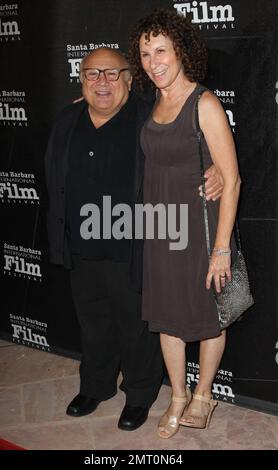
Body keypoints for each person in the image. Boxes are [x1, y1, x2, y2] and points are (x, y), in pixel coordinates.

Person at [44, 46, 223, 431]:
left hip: (134, 241)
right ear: (81, 80)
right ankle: (95, 385)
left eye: (112, 73)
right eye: (93, 74)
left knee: (135, 325)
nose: (102, 82)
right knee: (92, 322)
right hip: (80, 240)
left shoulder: (147, 116)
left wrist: (214, 168)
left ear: (129, 79)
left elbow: (180, 145)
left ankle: (140, 395)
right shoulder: (66, 119)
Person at [129, 8, 241, 438]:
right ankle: (177, 394)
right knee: (166, 316)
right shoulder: (150, 99)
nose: (154, 61)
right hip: (161, 229)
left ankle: (203, 395)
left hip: (201, 230)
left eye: (161, 50)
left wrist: (221, 248)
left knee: (208, 313)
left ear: (181, 52)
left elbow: (231, 181)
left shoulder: (204, 102)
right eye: (145, 53)